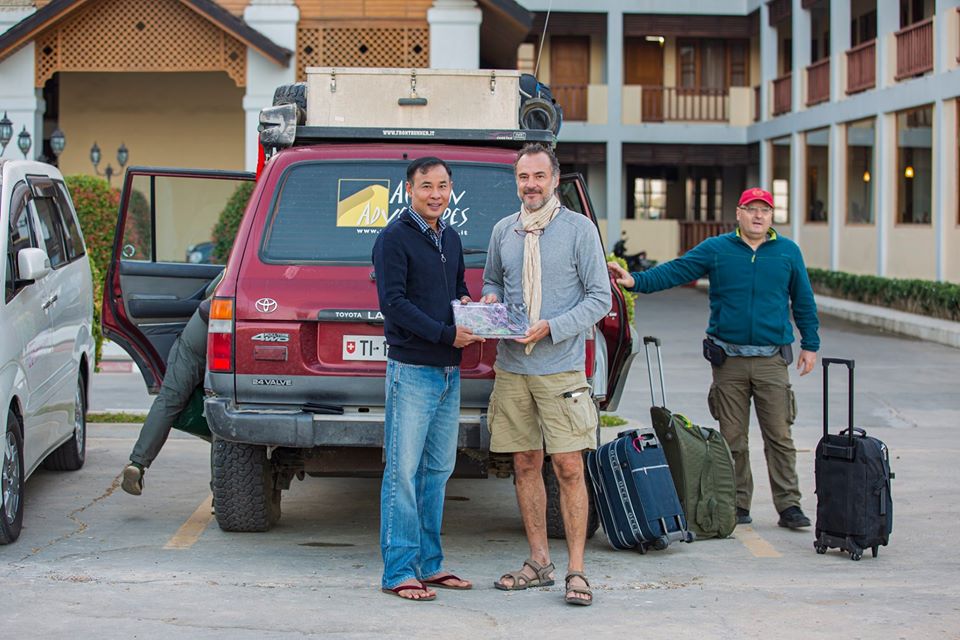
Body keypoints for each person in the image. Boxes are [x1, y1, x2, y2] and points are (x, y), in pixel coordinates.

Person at [608, 187, 820, 529]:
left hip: (771, 361)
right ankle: (736, 504)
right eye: (751, 209)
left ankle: (789, 505)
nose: (758, 216)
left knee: (779, 437)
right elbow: (677, 270)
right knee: (733, 439)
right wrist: (636, 280)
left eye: (764, 210)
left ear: (771, 216)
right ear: (738, 213)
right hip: (728, 362)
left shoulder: (787, 252)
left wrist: (810, 344)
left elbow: (804, 300)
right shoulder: (717, 249)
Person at [481, 143, 610, 606]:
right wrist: (491, 301)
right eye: (523, 177)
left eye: (539, 176)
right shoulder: (504, 230)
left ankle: (577, 570)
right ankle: (539, 562)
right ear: (516, 181)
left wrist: (553, 326)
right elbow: (493, 281)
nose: (531, 185)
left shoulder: (579, 230)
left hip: (561, 369)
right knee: (524, 464)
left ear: (555, 180)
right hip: (513, 367)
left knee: (570, 467)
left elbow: (600, 298)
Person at [371, 156, 482, 601]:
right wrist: (444, 334)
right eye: (426, 186)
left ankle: (430, 565)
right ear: (409, 190)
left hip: (448, 372)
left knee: (437, 471)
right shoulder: (393, 238)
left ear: (450, 189)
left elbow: (457, 290)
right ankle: (398, 570)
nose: (435, 194)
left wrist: (473, 308)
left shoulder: (449, 237)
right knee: (403, 472)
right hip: (413, 370)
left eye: (442, 186)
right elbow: (393, 304)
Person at [121, 272, 223, 496]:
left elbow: (210, 291)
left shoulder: (244, 259)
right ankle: (220, 493)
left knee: (169, 399)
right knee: (224, 412)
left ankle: (137, 463)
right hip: (237, 336)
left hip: (201, 329)